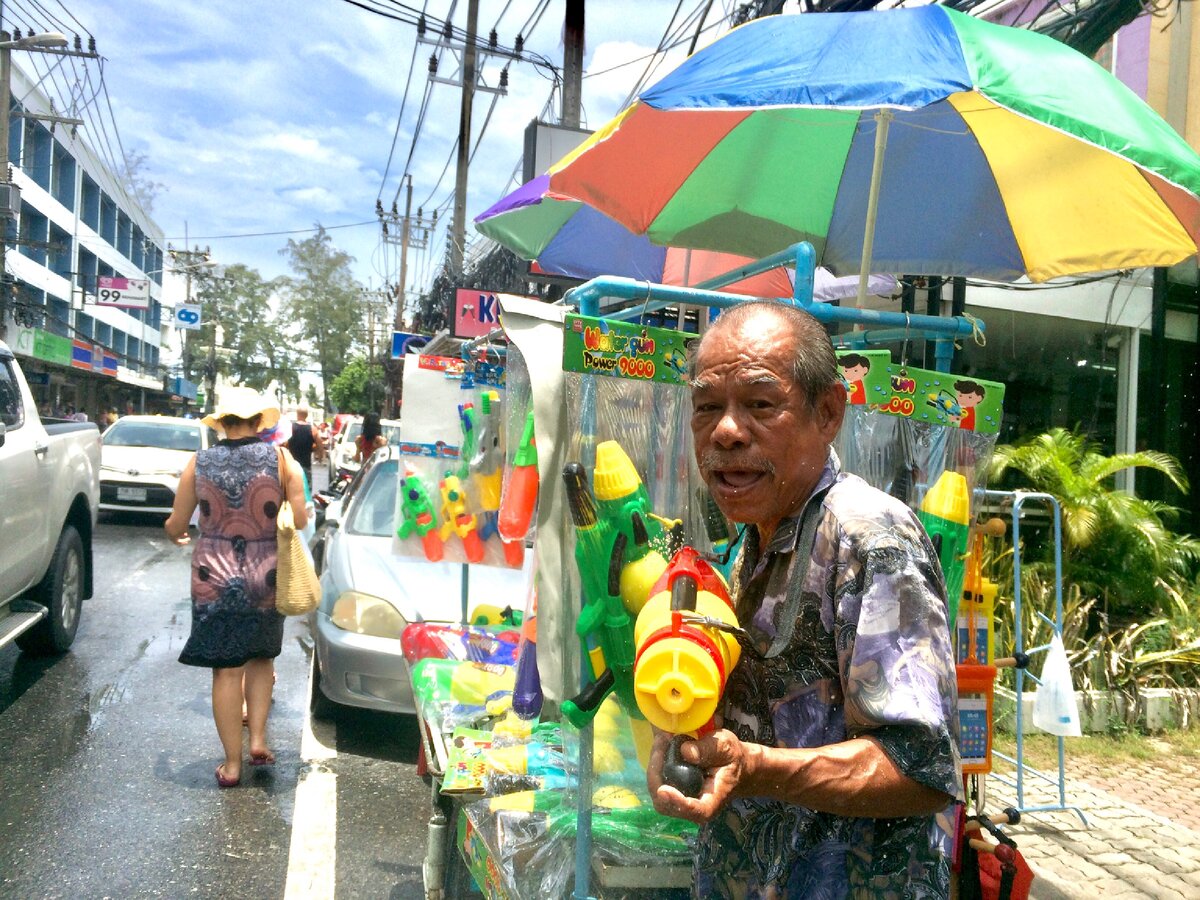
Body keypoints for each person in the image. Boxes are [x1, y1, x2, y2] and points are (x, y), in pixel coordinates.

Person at [648, 301, 961, 897]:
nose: (726, 430)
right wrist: (680, 743)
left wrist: (756, 769)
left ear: (828, 412)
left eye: (761, 405)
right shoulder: (750, 536)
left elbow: (922, 769)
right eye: (707, 406)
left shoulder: (870, 538)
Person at [164, 387, 308, 789]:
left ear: (222, 423)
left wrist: (175, 534)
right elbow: (298, 517)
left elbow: (178, 522)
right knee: (262, 658)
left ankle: (232, 764)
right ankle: (258, 740)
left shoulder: (200, 462)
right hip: (266, 574)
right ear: (259, 421)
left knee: (227, 671)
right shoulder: (282, 460)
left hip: (215, 576)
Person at [287, 406, 316, 485]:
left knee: (292, 488)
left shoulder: (290, 427)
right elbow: (319, 444)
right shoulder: (312, 429)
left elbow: (284, 444)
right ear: (307, 415)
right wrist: (319, 455)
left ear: (297, 414)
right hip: (306, 464)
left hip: (291, 464)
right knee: (307, 488)